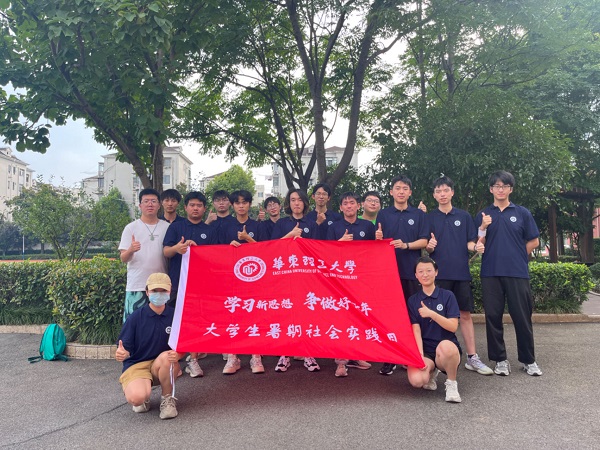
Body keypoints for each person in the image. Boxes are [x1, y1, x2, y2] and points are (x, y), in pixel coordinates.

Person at [474, 171, 542, 376]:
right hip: (491, 272)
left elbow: (534, 241)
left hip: (517, 272)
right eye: (497, 186)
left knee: (522, 317)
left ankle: (529, 360)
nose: (500, 189)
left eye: (504, 186)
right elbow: (478, 244)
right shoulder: (484, 214)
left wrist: (519, 255)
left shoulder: (522, 213)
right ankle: (500, 360)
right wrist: (483, 227)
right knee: (493, 316)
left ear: (510, 189)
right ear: (491, 189)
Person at [424, 176, 493, 376]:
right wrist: (429, 246)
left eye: (446, 190)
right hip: (438, 276)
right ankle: (437, 358)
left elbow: (469, 243)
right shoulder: (429, 218)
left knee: (465, 315)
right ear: (434, 195)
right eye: (438, 191)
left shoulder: (463, 216)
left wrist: (476, 247)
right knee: (437, 316)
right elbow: (427, 246)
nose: (442, 194)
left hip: (461, 274)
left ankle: (472, 357)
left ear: (452, 192)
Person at [375, 175, 428, 375]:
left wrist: (406, 245)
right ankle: (390, 358)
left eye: (405, 188)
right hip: (388, 273)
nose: (401, 191)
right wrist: (378, 238)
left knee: (412, 315)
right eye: (397, 188)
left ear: (410, 192)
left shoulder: (419, 214)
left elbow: (424, 241)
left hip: (412, 272)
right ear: (391, 192)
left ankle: (411, 355)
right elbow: (377, 243)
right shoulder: (383, 214)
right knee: (390, 316)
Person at [116, 273, 184, 419]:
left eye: (163, 290)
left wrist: (178, 354)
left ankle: (167, 399)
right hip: (137, 365)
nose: (159, 294)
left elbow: (184, 344)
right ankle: (143, 395)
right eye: (154, 291)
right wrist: (122, 353)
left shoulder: (176, 316)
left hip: (162, 363)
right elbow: (124, 348)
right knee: (137, 398)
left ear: (170, 291)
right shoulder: (135, 317)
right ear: (147, 292)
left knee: (167, 357)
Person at [163, 191, 215, 378]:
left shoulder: (210, 230)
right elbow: (166, 252)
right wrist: (177, 248)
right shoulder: (176, 227)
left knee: (195, 321)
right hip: (178, 282)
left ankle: (193, 360)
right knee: (174, 322)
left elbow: (216, 255)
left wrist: (199, 251)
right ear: (185, 207)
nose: (195, 208)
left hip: (201, 284)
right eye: (192, 205)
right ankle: (172, 362)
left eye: (199, 205)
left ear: (204, 209)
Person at [326, 192, 377, 377]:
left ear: (358, 206)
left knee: (359, 317)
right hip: (340, 281)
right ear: (341, 208)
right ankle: (341, 360)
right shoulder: (334, 227)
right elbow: (325, 253)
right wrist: (339, 243)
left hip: (361, 280)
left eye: (352, 203)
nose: (349, 206)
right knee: (341, 318)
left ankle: (356, 355)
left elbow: (374, 252)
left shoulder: (367, 226)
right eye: (345, 203)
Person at [271, 189, 320, 372]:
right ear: (288, 203)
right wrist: (290, 235)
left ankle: (308, 353)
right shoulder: (282, 223)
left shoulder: (312, 224)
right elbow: (272, 247)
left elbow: (319, 249)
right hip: (284, 275)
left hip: (306, 276)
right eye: (293, 200)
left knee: (306, 314)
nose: (296, 203)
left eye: (299, 200)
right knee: (286, 314)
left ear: (305, 203)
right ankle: (285, 355)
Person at [219, 190, 264, 375]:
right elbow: (217, 251)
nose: (241, 206)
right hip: (232, 277)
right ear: (232, 205)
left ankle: (256, 356)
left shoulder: (258, 225)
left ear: (249, 204)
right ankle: (233, 356)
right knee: (233, 315)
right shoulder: (225, 226)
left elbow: (267, 250)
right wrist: (228, 247)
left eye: (244, 202)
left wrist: (247, 239)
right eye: (237, 203)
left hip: (255, 277)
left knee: (254, 315)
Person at [406, 257, 462, 403]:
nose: (425, 274)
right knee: (417, 381)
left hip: (446, 348)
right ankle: (431, 372)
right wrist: (419, 355)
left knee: (446, 347)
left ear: (436, 272)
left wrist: (432, 314)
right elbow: (416, 330)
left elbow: (453, 326)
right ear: (416, 275)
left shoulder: (447, 296)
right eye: (420, 271)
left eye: (429, 270)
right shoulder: (413, 300)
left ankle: (451, 383)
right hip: (427, 351)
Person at [118, 188, 170, 322]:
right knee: (133, 324)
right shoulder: (131, 228)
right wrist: (130, 250)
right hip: (137, 284)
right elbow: (123, 258)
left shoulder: (167, 227)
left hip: (161, 285)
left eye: (153, 201)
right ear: (140, 205)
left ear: (159, 205)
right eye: (146, 201)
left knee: (159, 324)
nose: (150, 204)